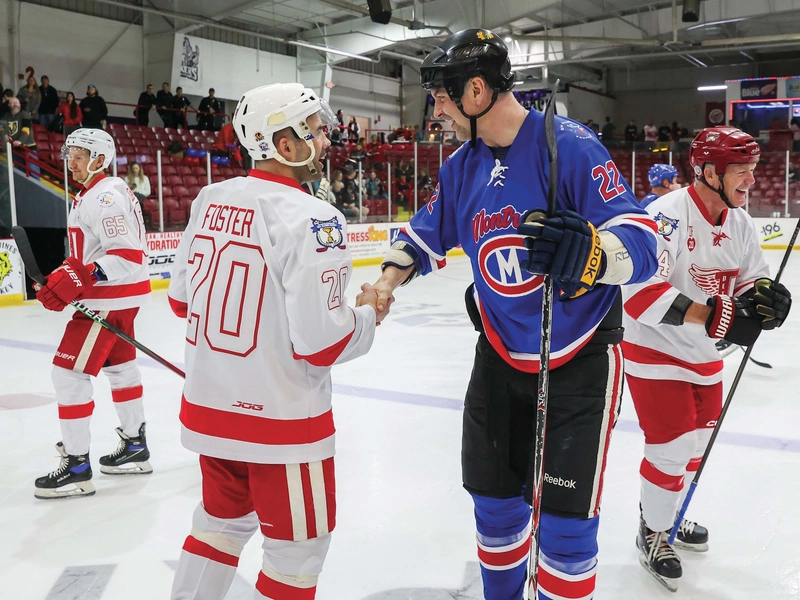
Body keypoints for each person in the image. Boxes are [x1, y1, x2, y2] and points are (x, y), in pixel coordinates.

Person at [360, 28, 659, 600]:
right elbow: (425, 234)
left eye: (442, 97)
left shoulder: (569, 146)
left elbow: (644, 240)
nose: (436, 112)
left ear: (475, 91)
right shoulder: (462, 166)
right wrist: (386, 279)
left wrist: (596, 253)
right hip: (499, 360)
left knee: (567, 532)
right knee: (495, 512)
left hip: (577, 362)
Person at [167, 82, 385, 600]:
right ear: (283, 144)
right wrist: (368, 315)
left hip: (210, 408)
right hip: (282, 425)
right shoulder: (315, 217)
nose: (326, 139)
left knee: (218, 526)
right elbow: (321, 344)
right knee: (297, 555)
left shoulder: (210, 198)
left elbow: (181, 302)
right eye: (313, 130)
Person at [620, 126, 792, 591]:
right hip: (653, 349)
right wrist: (714, 316)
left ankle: (669, 516)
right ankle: (652, 532)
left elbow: (748, 280)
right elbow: (639, 294)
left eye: (754, 171)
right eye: (742, 171)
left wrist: (767, 299)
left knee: (695, 448)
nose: (751, 181)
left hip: (702, 354)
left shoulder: (739, 221)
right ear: (709, 172)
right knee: (671, 446)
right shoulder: (664, 215)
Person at [32, 128, 152, 500]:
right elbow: (91, 252)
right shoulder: (93, 193)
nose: (72, 162)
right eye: (70, 154)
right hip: (119, 297)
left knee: (67, 374)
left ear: (100, 158)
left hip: (107, 300)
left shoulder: (103, 198)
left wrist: (83, 277)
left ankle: (77, 466)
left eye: (80, 155)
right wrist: (66, 275)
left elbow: (126, 255)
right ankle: (135, 446)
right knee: (120, 368)